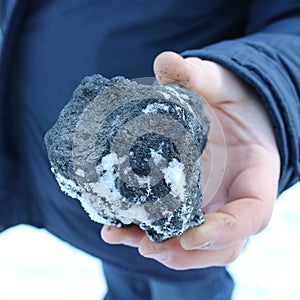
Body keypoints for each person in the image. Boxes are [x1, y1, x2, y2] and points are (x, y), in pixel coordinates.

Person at [0, 0, 299, 299]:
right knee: (122, 269)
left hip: (192, 210)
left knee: (179, 277)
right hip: (75, 196)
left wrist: (265, 81)